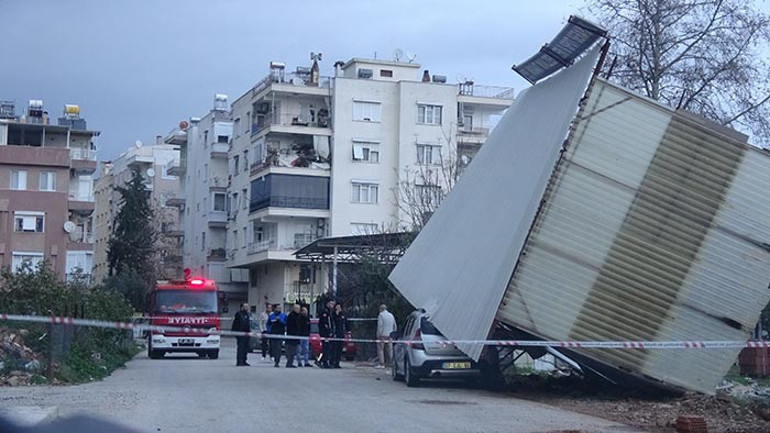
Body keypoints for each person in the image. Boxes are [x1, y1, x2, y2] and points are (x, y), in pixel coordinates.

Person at [376, 303, 396, 368]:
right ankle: (391, 362)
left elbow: (380, 326)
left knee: (380, 349)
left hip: (383, 335)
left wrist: (378, 334)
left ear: (381, 309)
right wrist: (394, 333)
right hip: (390, 335)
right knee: (390, 349)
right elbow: (394, 325)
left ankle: (381, 363)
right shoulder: (391, 315)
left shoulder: (381, 315)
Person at [316, 300, 335, 368]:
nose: (332, 305)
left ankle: (321, 360)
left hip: (328, 334)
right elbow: (325, 323)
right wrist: (328, 332)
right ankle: (322, 361)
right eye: (331, 304)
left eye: (333, 304)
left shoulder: (330, 312)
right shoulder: (325, 312)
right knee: (325, 348)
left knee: (327, 348)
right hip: (325, 334)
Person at [331, 303, 348, 369]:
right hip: (335, 334)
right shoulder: (333, 315)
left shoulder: (343, 315)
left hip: (341, 334)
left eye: (339, 307)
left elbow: (346, 323)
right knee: (334, 349)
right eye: (337, 307)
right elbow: (333, 322)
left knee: (339, 349)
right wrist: (336, 315)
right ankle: (332, 362)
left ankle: (337, 363)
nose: (338, 309)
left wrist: (348, 331)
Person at [285, 303, 302, 368]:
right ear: (294, 309)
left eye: (299, 309)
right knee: (291, 351)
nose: (298, 310)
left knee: (295, 350)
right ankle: (289, 363)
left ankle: (291, 362)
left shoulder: (299, 316)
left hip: (297, 336)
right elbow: (290, 326)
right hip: (292, 336)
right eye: (297, 308)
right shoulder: (291, 316)